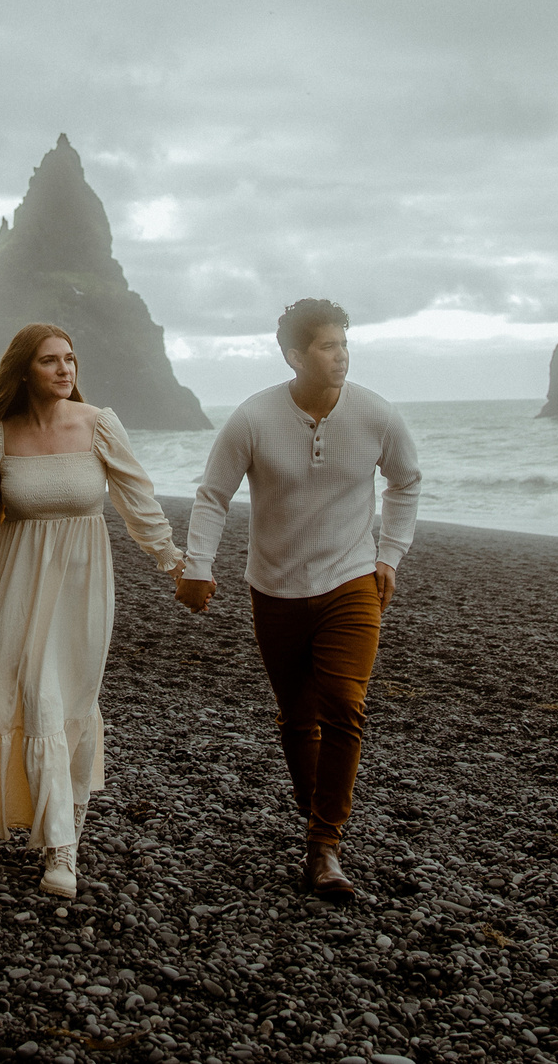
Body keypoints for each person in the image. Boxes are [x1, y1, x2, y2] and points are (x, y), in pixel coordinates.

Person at [174, 297, 421, 901]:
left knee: (344, 705)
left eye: (344, 344)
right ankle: (319, 818)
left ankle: (323, 846)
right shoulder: (253, 418)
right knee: (297, 717)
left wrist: (389, 554)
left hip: (351, 580)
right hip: (274, 587)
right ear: (294, 355)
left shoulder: (377, 414)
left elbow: (406, 481)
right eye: (327, 346)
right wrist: (198, 566)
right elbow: (213, 494)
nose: (341, 356)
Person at [0, 321, 185, 897]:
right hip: (20, 584)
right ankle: (60, 846)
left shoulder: (97, 424)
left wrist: (174, 562)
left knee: (73, 702)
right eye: (50, 360)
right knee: (37, 695)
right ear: (24, 371)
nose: (65, 369)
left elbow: (137, 499)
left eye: (70, 359)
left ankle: (66, 828)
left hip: (85, 585)